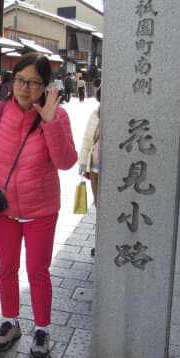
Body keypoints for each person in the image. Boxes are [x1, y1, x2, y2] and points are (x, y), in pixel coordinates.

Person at [0, 52, 77, 358]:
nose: (25, 88)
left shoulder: (58, 116)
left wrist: (50, 123)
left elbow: (66, 162)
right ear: (11, 80)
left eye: (34, 82)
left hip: (41, 209)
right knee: (6, 268)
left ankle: (41, 329)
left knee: (37, 271)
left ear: (45, 86)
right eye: (20, 80)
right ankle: (10, 321)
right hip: (5, 209)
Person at [78, 88, 101, 256]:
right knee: (100, 207)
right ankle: (100, 242)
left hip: (113, 170)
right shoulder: (96, 114)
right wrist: (82, 163)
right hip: (96, 170)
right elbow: (87, 139)